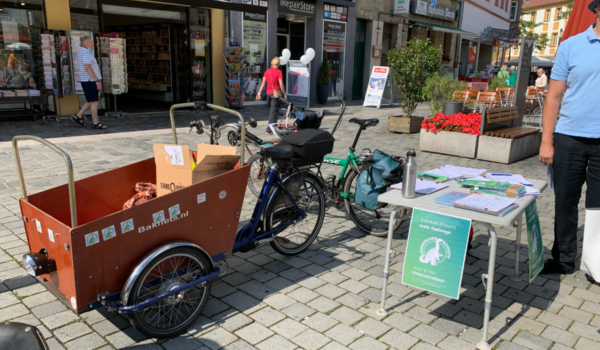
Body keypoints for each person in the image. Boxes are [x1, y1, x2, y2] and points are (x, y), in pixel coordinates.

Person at [538, 0, 600, 278]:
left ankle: (595, 264)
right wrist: (546, 141)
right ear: (596, 10)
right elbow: (553, 96)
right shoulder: (571, 45)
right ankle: (563, 259)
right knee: (565, 201)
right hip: (569, 137)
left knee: (599, 207)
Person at [73, 36, 106, 130]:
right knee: (94, 102)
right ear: (85, 43)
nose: (93, 44)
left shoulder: (83, 52)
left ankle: (78, 115)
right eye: (90, 42)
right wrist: (96, 81)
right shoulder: (85, 53)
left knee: (90, 101)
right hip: (90, 80)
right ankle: (95, 122)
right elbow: (88, 68)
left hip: (87, 80)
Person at [256, 57, 286, 135]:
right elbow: (281, 85)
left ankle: (274, 127)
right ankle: (269, 129)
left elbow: (263, 83)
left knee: (274, 110)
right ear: (278, 64)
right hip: (275, 94)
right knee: (273, 111)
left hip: (268, 93)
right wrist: (284, 94)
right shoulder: (279, 72)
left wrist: (259, 93)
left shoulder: (267, 71)